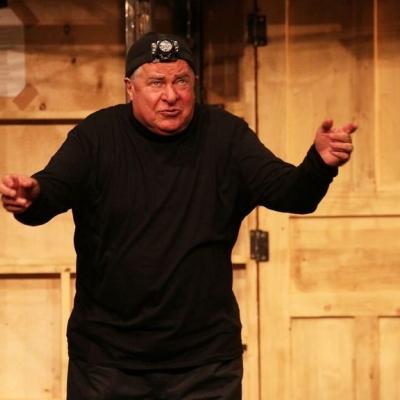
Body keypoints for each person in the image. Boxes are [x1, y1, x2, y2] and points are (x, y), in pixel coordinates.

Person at [0, 32, 357, 399]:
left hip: (205, 364)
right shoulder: (97, 136)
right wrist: (30, 196)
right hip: (107, 363)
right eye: (156, 83)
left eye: (181, 81)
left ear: (194, 84)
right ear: (130, 88)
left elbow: (293, 194)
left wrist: (319, 165)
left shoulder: (226, 136)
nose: (171, 95)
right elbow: (51, 191)